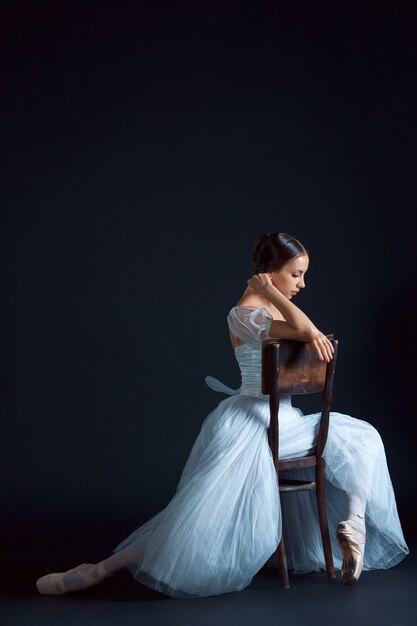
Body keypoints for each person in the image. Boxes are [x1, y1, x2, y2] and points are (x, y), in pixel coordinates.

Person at [36, 232, 409, 598]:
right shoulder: (243, 314)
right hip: (251, 424)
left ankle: (353, 525)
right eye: (295, 274)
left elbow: (304, 331)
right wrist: (265, 291)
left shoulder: (273, 307)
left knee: (363, 437)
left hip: (282, 424)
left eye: (303, 275)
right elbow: (304, 329)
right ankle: (98, 570)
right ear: (268, 272)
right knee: (192, 518)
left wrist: (274, 294)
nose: (302, 283)